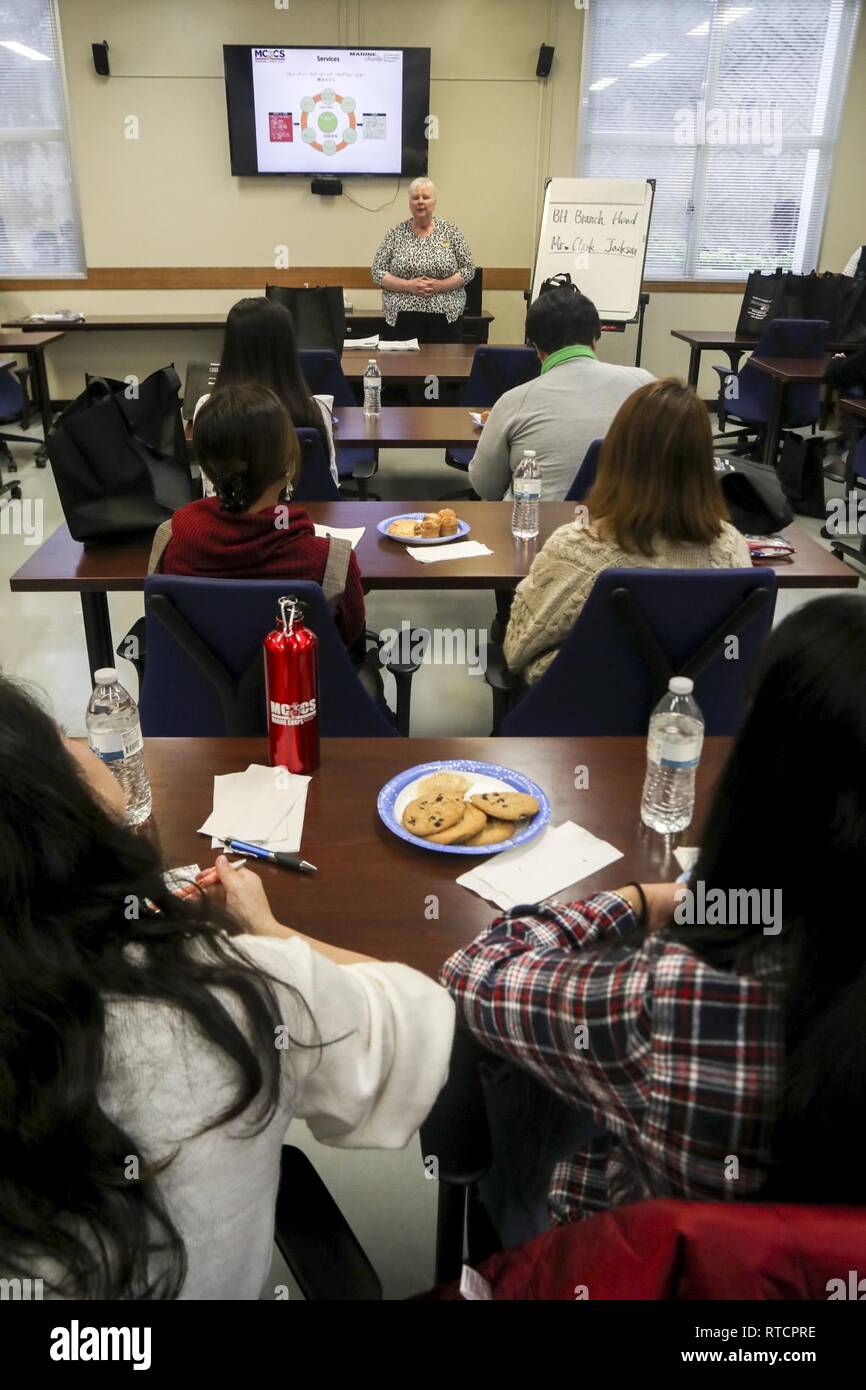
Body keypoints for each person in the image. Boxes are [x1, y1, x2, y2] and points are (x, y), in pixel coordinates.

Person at [0, 675, 455, 1298]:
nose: (83, 745)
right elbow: (423, 1017)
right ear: (56, 812)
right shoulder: (239, 994)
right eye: (62, 740)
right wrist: (269, 936)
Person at [443, 592, 866, 1225]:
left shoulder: (683, 997)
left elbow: (475, 970)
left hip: (634, 1256)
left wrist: (635, 899)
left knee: (506, 1071)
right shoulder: (731, 553)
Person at [504, 378, 752, 683]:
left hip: (577, 720)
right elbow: (738, 659)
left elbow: (516, 651)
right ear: (704, 462)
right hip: (688, 722)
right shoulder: (731, 549)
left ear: (616, 454)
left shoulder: (577, 546)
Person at [153, 384, 365, 650]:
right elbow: (350, 633)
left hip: (196, 690)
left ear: (208, 465)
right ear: (287, 466)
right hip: (299, 688)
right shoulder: (329, 561)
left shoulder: (171, 540)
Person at [469, 286, 654, 501]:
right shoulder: (646, 386)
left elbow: (486, 487)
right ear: (595, 340)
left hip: (537, 529)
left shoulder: (513, 402)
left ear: (537, 349)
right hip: (626, 528)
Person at [194, 296, 338, 486]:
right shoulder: (315, 409)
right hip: (307, 515)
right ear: (287, 350)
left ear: (230, 348)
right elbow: (330, 484)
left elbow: (211, 488)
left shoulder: (209, 408)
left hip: (231, 515)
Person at [371, 178, 475, 343]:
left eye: (425, 197)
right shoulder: (395, 234)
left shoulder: (450, 231)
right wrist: (409, 286)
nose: (420, 202)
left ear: (434, 203)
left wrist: (441, 285)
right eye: (415, 197)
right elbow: (377, 272)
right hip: (403, 316)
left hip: (447, 315)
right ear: (410, 203)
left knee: (445, 367)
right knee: (405, 368)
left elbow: (468, 269)